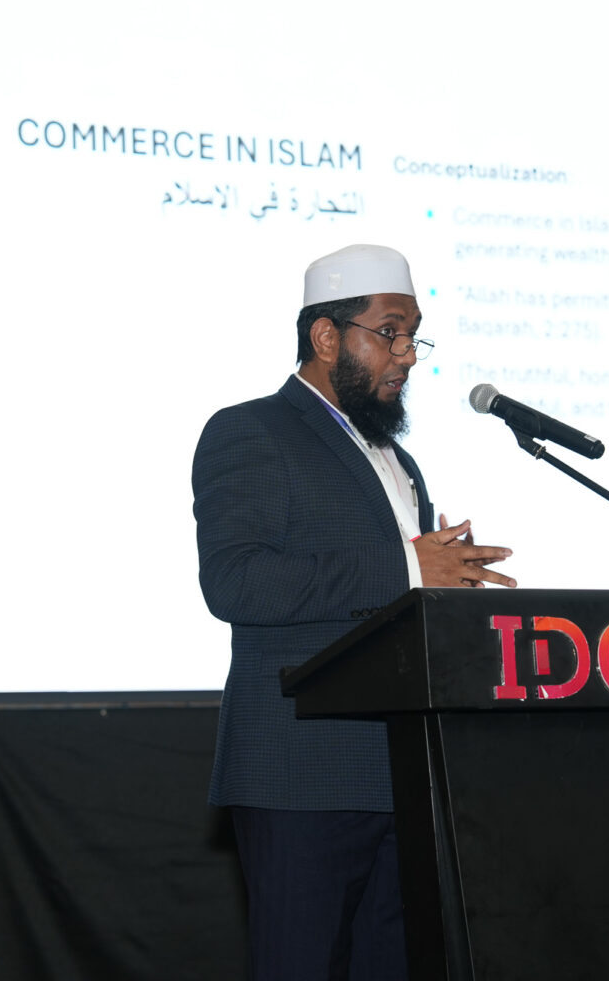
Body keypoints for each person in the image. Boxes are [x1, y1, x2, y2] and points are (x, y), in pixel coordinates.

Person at [191, 243, 516, 981]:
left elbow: (392, 601)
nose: (407, 356)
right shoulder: (250, 431)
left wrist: (444, 593)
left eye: (414, 336)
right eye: (389, 333)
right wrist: (410, 567)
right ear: (327, 336)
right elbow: (236, 583)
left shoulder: (400, 461)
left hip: (405, 777)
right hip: (301, 775)